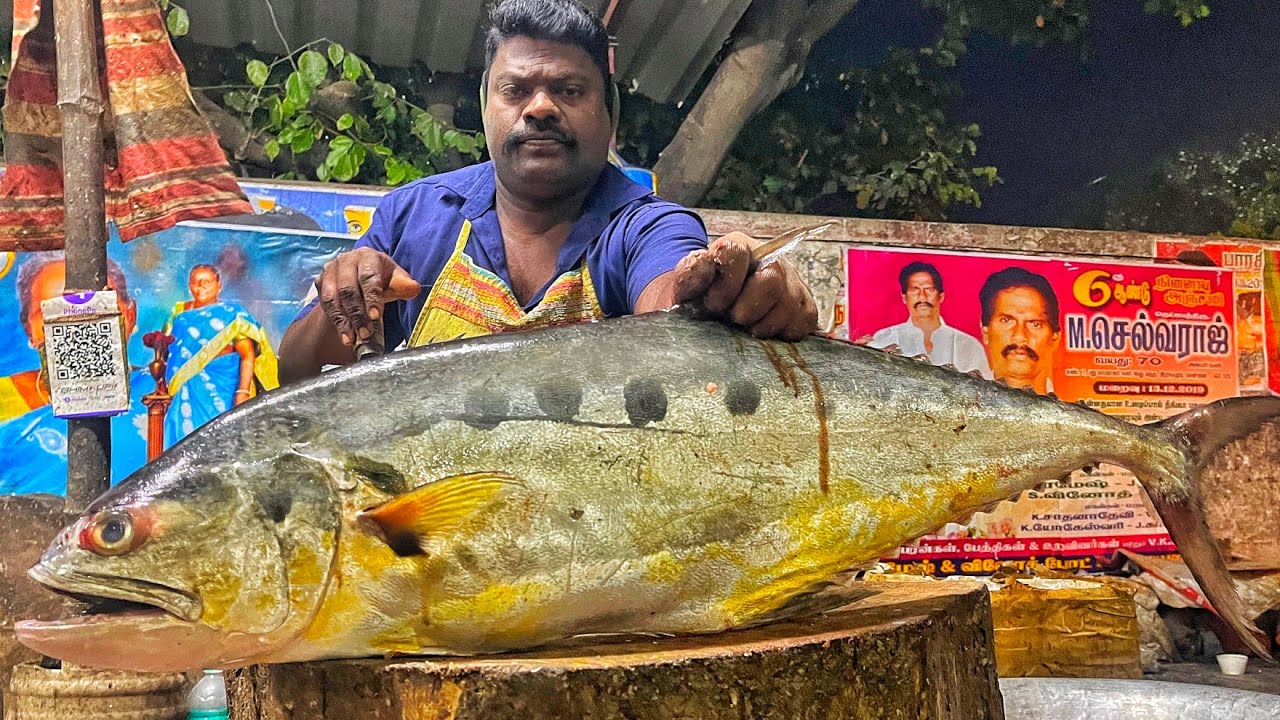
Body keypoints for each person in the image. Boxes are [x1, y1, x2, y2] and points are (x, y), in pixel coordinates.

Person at [278, 0, 817, 381]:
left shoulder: (645, 225)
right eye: (515, 90)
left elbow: (671, 293)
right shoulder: (415, 214)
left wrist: (721, 289)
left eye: (569, 89)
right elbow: (294, 369)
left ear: (609, 119)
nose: (539, 108)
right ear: (487, 110)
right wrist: (342, 300)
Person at [0, 251, 153, 494]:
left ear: (131, 315)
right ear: (29, 329)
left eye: (97, 309)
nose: (76, 326)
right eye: (51, 313)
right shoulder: (6, 403)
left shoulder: (162, 394)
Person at [162, 264, 278, 447]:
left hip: (222, 389)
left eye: (206, 282)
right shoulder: (179, 313)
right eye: (194, 282)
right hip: (185, 390)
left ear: (219, 285)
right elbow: (167, 349)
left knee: (219, 441)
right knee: (182, 443)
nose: (200, 286)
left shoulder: (232, 315)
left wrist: (243, 391)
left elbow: (247, 355)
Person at [868, 261, 989, 377]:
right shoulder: (884, 339)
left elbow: (988, 392)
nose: (922, 297)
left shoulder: (968, 345)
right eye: (914, 290)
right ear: (904, 298)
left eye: (929, 289)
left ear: (941, 296)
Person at [978, 267, 1060, 394]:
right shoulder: (959, 407)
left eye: (1035, 324)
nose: (1020, 336)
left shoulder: (1081, 413)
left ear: (1055, 337)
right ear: (986, 332)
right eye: (1006, 320)